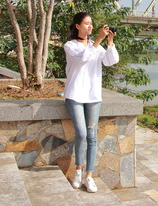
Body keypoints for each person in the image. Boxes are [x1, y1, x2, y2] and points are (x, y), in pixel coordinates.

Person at [63, 12, 119, 193]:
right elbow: (83, 60)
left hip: (93, 97)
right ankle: (78, 171)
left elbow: (111, 61)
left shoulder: (97, 47)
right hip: (75, 95)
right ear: (77, 26)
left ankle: (89, 175)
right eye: (86, 23)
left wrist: (109, 41)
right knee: (81, 134)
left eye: (91, 24)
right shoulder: (70, 46)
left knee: (92, 136)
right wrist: (97, 41)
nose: (90, 26)